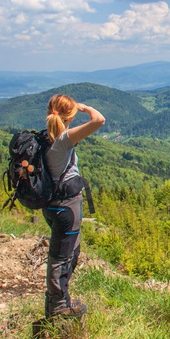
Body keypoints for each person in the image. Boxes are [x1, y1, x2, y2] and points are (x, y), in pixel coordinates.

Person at [42, 94, 105, 317]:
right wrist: (86, 107)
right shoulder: (63, 140)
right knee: (61, 255)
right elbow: (99, 120)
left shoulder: (45, 138)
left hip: (52, 206)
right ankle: (58, 306)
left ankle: (61, 299)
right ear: (69, 115)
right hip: (66, 207)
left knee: (70, 250)